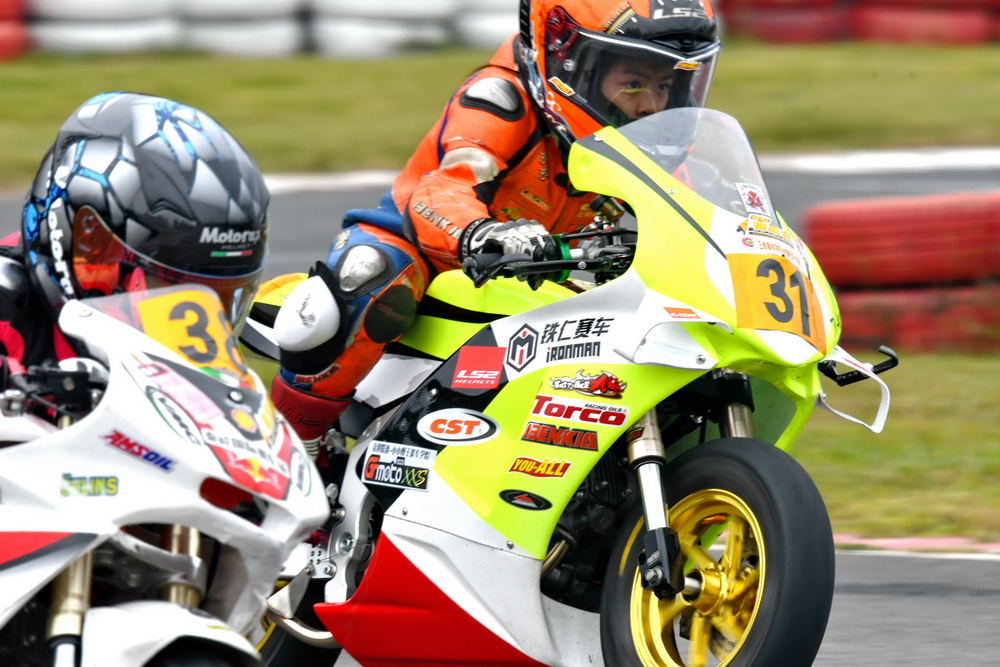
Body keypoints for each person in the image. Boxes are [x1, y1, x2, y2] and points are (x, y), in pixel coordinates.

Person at [266, 0, 720, 444]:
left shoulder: (657, 140)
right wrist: (481, 232)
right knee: (371, 275)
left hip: (551, 268)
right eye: (634, 83)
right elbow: (446, 186)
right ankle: (291, 448)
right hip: (431, 249)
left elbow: (694, 208)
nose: (651, 106)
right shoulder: (499, 99)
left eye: (667, 85)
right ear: (572, 62)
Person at [1, 91, 268, 372]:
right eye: (165, 289)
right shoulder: (8, 313)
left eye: (224, 299)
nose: (199, 325)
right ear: (89, 243)